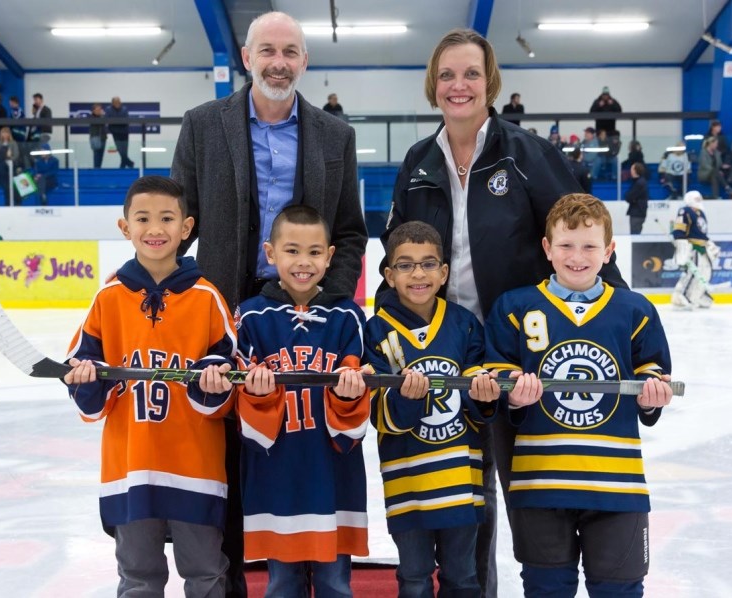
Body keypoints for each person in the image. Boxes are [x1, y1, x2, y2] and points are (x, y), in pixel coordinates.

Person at [380, 28, 627, 598]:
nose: (458, 86)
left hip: (521, 358)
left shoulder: (526, 153)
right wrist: (389, 332)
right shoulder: (419, 161)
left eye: (470, 74)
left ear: (489, 82)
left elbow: (578, 234)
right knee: (466, 505)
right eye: (446, 75)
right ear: (432, 85)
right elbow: (397, 256)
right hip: (445, 357)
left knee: (529, 495)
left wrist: (621, 325)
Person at [171, 12, 367, 596]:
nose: (278, 62)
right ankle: (233, 583)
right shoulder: (203, 125)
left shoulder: (336, 136)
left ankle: (318, 570)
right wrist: (179, 299)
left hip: (306, 311)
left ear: (304, 60)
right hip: (230, 309)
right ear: (247, 57)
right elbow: (182, 227)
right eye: (267, 50)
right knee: (231, 457)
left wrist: (325, 302)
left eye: (290, 51)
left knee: (303, 448)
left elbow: (351, 232)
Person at [484, 193, 674, 598]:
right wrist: (514, 396)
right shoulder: (515, 308)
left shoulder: (635, 311)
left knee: (619, 591)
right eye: (566, 245)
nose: (577, 256)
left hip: (617, 488)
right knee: (545, 589)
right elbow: (498, 378)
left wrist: (650, 396)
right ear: (547, 248)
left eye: (589, 246)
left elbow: (652, 373)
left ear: (608, 251)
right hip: (540, 485)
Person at [61, 175, 238, 597]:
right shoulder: (108, 298)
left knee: (206, 574)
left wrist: (213, 383)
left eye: (166, 218)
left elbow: (230, 370)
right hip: (131, 465)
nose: (155, 229)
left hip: (195, 466)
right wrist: (88, 379)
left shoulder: (206, 297)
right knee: (138, 578)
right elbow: (83, 379)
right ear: (125, 228)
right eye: (143, 218)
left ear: (186, 227)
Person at [234, 205, 369, 597]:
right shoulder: (251, 317)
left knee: (334, 584)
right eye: (292, 250)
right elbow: (244, 417)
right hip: (277, 478)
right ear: (270, 253)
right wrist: (257, 396)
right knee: (281, 584)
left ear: (330, 256)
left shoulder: (348, 318)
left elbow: (356, 415)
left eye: (314, 252)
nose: (303, 262)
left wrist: (350, 397)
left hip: (332, 477)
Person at [366, 221, 500, 597]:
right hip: (408, 480)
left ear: (444, 272)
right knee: (414, 577)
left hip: (460, 481)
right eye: (406, 265)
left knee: (463, 576)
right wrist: (406, 400)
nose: (418, 274)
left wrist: (485, 396)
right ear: (389, 275)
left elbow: (476, 404)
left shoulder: (463, 324)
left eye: (428, 264)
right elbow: (380, 416)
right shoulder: (378, 331)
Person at [671, 190, 719, 310]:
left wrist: (709, 243)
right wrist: (681, 243)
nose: (698, 201)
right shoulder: (684, 211)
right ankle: (682, 296)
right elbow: (679, 230)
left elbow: (701, 232)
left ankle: (698, 295)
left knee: (705, 272)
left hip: (702, 247)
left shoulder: (701, 212)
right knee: (692, 272)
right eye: (696, 199)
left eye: (699, 198)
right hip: (692, 246)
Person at [0, 126, 20, 206]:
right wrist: (3, 158)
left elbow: (16, 155)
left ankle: (16, 202)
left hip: (11, 167)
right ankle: (7, 202)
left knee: (13, 187)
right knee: (5, 187)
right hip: (2, 168)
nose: (4, 135)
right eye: (3, 133)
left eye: (6, 133)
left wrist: (10, 158)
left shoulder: (13, 143)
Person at [106, 96, 135, 168]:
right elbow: (108, 120)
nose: (117, 103)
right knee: (120, 151)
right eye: (115, 102)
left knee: (124, 151)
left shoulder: (124, 109)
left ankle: (123, 165)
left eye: (118, 102)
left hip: (124, 132)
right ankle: (129, 163)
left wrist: (117, 122)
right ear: (112, 103)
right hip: (115, 133)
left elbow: (126, 120)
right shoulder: (108, 110)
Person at [625, 162, 649, 234]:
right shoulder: (638, 182)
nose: (630, 171)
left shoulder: (639, 183)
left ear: (636, 170)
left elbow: (629, 197)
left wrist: (632, 199)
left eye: (632, 169)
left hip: (637, 212)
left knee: (635, 234)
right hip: (638, 212)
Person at [89, 102, 108, 169]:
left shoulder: (102, 117)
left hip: (103, 138)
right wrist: (102, 116)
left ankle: (99, 168)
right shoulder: (92, 117)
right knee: (96, 155)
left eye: (100, 109)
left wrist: (103, 115)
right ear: (93, 110)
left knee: (101, 156)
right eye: (97, 110)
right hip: (95, 138)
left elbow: (105, 123)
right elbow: (97, 124)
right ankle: (96, 169)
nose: (99, 111)